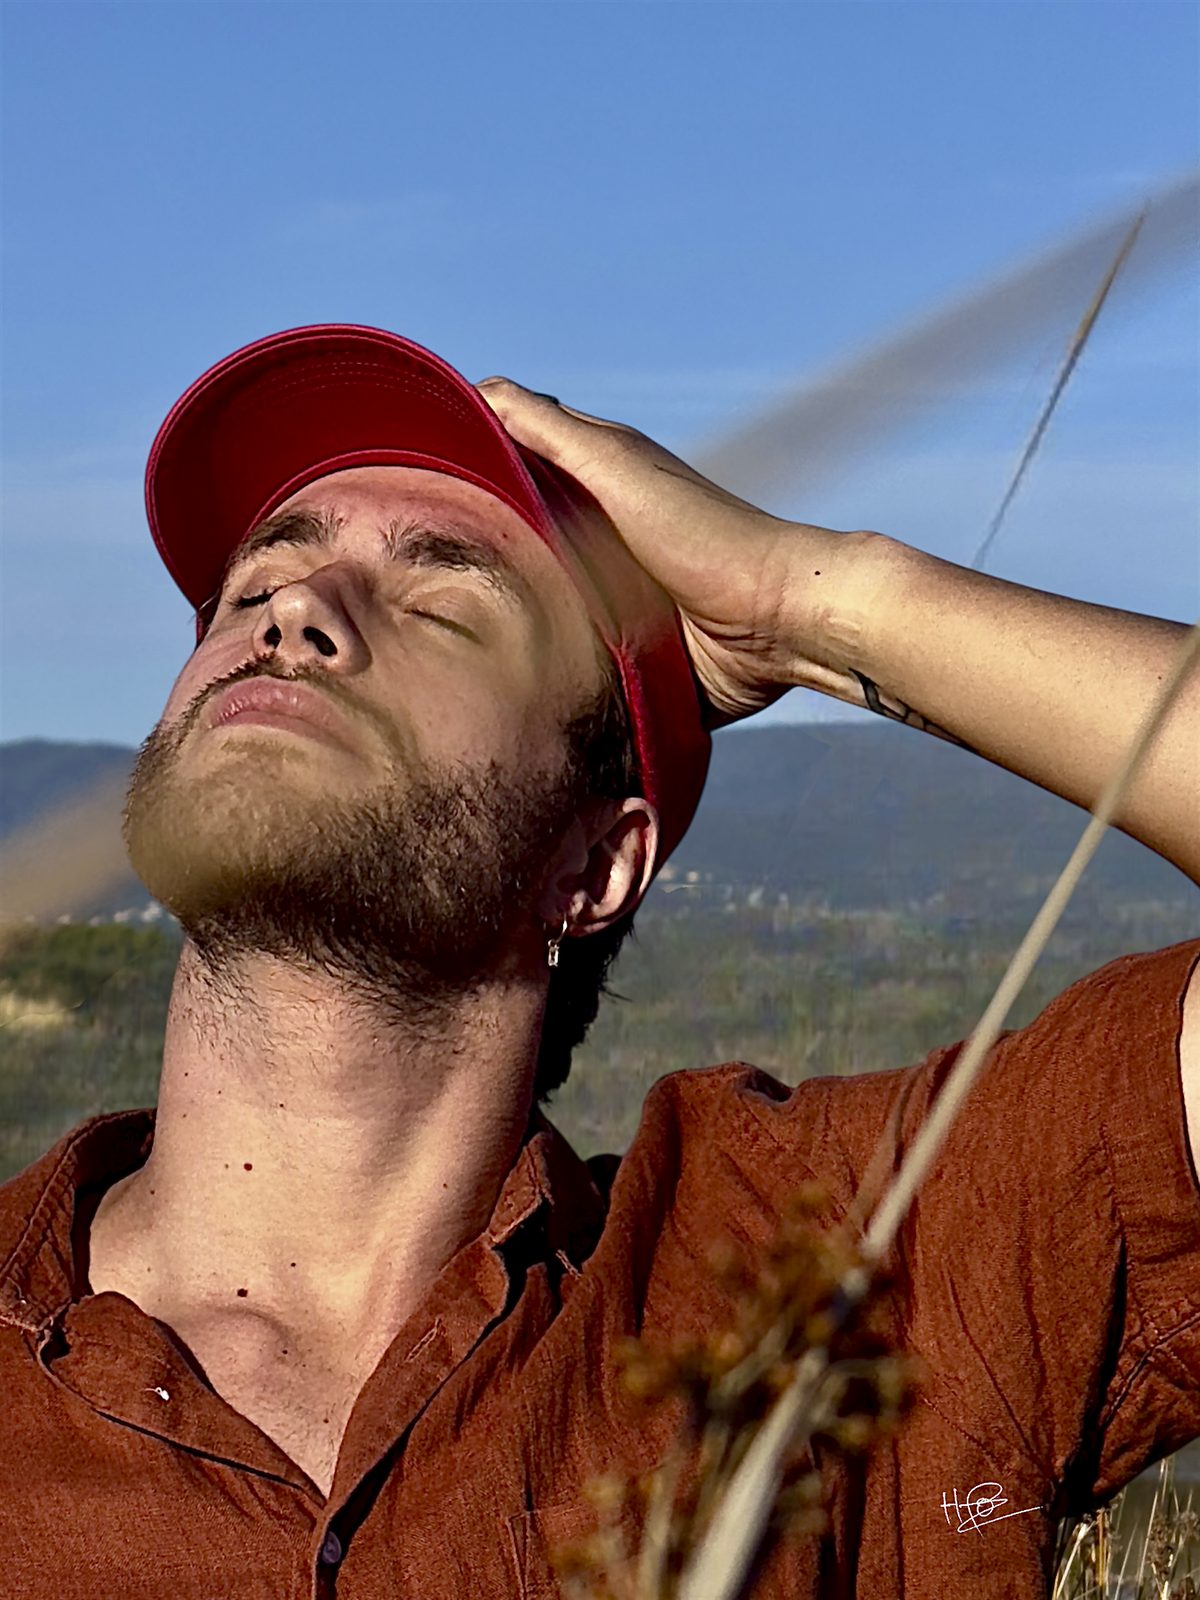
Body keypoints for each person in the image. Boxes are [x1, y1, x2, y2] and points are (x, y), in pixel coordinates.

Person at [0, 325, 1196, 1600]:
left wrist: (817, 601)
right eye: (253, 591)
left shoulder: (834, 1277)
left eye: (439, 606)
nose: (297, 609)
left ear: (596, 864)